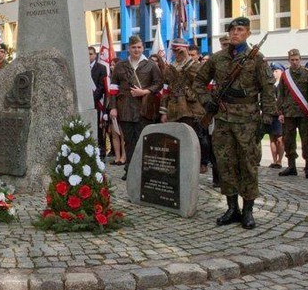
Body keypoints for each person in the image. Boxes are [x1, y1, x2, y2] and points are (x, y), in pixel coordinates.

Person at [195, 17, 276, 230]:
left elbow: (268, 91)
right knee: (224, 163)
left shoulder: (257, 59)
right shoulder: (217, 58)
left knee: (248, 165)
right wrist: (208, 103)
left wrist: (267, 119)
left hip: (248, 120)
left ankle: (248, 210)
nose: (235, 33)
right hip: (222, 120)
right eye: (232, 30)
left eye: (240, 30)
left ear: (248, 33)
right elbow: (198, 82)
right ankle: (232, 208)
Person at [109, 35, 162, 181]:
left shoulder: (151, 65)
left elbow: (159, 84)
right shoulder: (120, 65)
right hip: (125, 107)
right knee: (129, 141)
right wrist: (113, 107)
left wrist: (144, 91)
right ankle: (130, 169)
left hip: (144, 108)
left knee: (143, 140)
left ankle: (144, 171)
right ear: (128, 49)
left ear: (143, 48)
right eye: (133, 47)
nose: (136, 50)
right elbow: (113, 88)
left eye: (139, 47)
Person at [159, 38, 210, 173]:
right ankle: (178, 164)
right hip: (173, 108)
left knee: (195, 137)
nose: (177, 53)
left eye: (180, 50)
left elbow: (201, 80)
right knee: (174, 138)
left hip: (191, 108)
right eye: (174, 51)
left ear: (186, 50)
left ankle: (198, 163)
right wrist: (163, 111)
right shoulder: (169, 68)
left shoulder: (195, 65)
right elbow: (165, 90)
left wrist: (187, 59)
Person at [277, 49, 308, 178]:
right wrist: (280, 112)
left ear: (301, 59)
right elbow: (280, 94)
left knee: (307, 141)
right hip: (288, 113)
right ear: (289, 60)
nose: (294, 62)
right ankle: (291, 166)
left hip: (304, 114)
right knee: (288, 140)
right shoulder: (285, 75)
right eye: (292, 60)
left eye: (297, 59)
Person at [88, 46, 108, 159]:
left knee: (99, 129)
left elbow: (101, 87)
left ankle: (101, 152)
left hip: (97, 102)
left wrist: (92, 99)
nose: (88, 56)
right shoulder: (81, 68)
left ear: (95, 55)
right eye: (86, 54)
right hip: (85, 103)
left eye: (90, 54)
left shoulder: (101, 68)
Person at [268, 63, 285, 168]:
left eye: (276, 71)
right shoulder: (270, 84)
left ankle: (279, 160)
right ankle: (274, 160)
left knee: (280, 139)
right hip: (271, 114)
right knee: (272, 138)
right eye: (273, 71)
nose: (274, 73)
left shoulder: (283, 84)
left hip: (280, 114)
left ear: (281, 71)